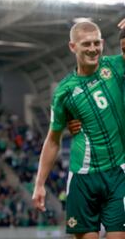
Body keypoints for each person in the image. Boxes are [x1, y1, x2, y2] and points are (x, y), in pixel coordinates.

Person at [32, 21, 125, 239]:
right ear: (72, 47)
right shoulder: (64, 92)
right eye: (86, 44)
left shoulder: (115, 66)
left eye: (96, 43)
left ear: (102, 43)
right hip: (83, 178)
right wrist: (39, 184)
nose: (93, 49)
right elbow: (53, 140)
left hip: (117, 173)